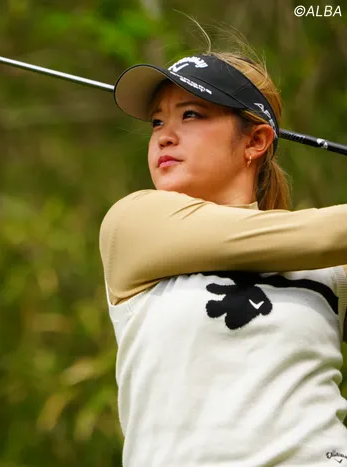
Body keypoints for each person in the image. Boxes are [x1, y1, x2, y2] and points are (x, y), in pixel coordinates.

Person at [99, 32, 347, 466]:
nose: (165, 137)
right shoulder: (133, 224)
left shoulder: (330, 272)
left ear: (255, 142)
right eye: (157, 122)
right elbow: (321, 236)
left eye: (191, 115)